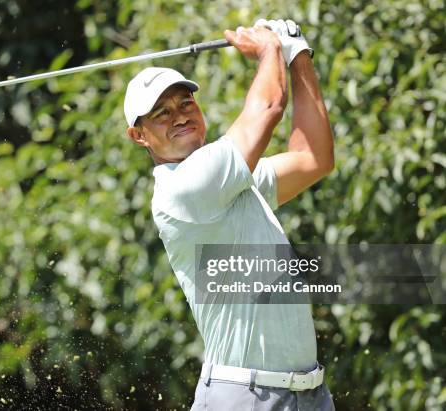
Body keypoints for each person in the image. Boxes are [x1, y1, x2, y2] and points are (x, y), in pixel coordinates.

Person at [123, 18, 335, 410]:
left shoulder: (233, 179)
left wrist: (298, 55)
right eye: (161, 114)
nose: (180, 116)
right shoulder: (184, 187)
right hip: (246, 397)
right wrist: (271, 50)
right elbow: (269, 107)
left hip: (309, 395)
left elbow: (313, 159)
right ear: (138, 135)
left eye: (186, 103)